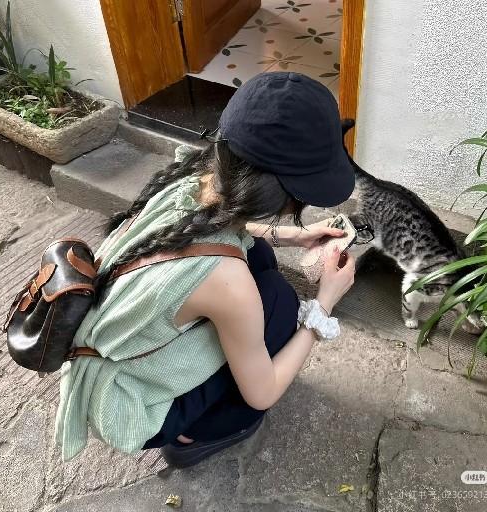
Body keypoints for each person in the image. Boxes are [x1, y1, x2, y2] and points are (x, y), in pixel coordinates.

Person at [54, 72, 356, 468]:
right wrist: (324, 305)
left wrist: (295, 236)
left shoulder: (198, 176)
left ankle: (199, 397)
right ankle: (192, 431)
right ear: (282, 195)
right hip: (126, 405)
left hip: (110, 347)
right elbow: (263, 393)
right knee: (281, 305)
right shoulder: (228, 284)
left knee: (260, 260)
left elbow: (219, 226)